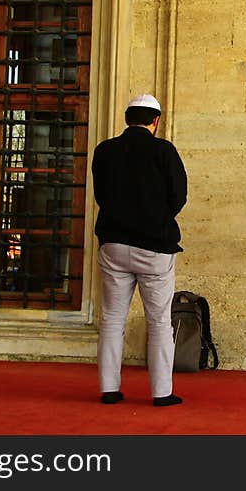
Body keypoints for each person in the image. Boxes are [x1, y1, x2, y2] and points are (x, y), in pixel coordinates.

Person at [91, 93, 188, 407]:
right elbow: (179, 196)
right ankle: (161, 392)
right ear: (155, 121)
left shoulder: (104, 150)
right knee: (159, 321)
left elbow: (101, 195)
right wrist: (156, 217)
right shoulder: (164, 151)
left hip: (114, 244)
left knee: (112, 319)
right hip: (155, 246)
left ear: (127, 118)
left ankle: (109, 389)